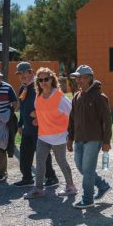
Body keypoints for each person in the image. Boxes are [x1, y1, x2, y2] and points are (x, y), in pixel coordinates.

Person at [23, 67, 77, 199]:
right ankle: (38, 189)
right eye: (40, 80)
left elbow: (73, 115)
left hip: (59, 137)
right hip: (43, 136)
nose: (43, 82)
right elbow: (42, 112)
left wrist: (72, 134)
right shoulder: (38, 96)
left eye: (46, 79)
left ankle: (71, 187)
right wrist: (38, 120)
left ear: (52, 79)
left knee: (61, 162)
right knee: (40, 162)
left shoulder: (60, 97)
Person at [68, 65, 112, 209]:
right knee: (82, 167)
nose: (78, 80)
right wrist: (70, 138)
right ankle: (103, 185)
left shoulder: (100, 97)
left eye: (80, 77)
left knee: (87, 170)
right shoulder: (76, 96)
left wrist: (106, 141)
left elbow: (107, 121)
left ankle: (87, 199)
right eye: (77, 77)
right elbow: (72, 119)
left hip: (94, 139)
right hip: (79, 139)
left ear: (89, 78)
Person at [13, 62, 59, 187]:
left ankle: (52, 177)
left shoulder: (39, 87)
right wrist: (20, 124)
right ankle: (27, 178)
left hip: (40, 127)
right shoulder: (23, 88)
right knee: (24, 153)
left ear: (31, 72)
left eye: (25, 72)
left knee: (42, 154)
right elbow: (22, 108)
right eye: (20, 73)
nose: (22, 75)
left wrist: (39, 115)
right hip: (27, 128)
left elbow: (48, 104)